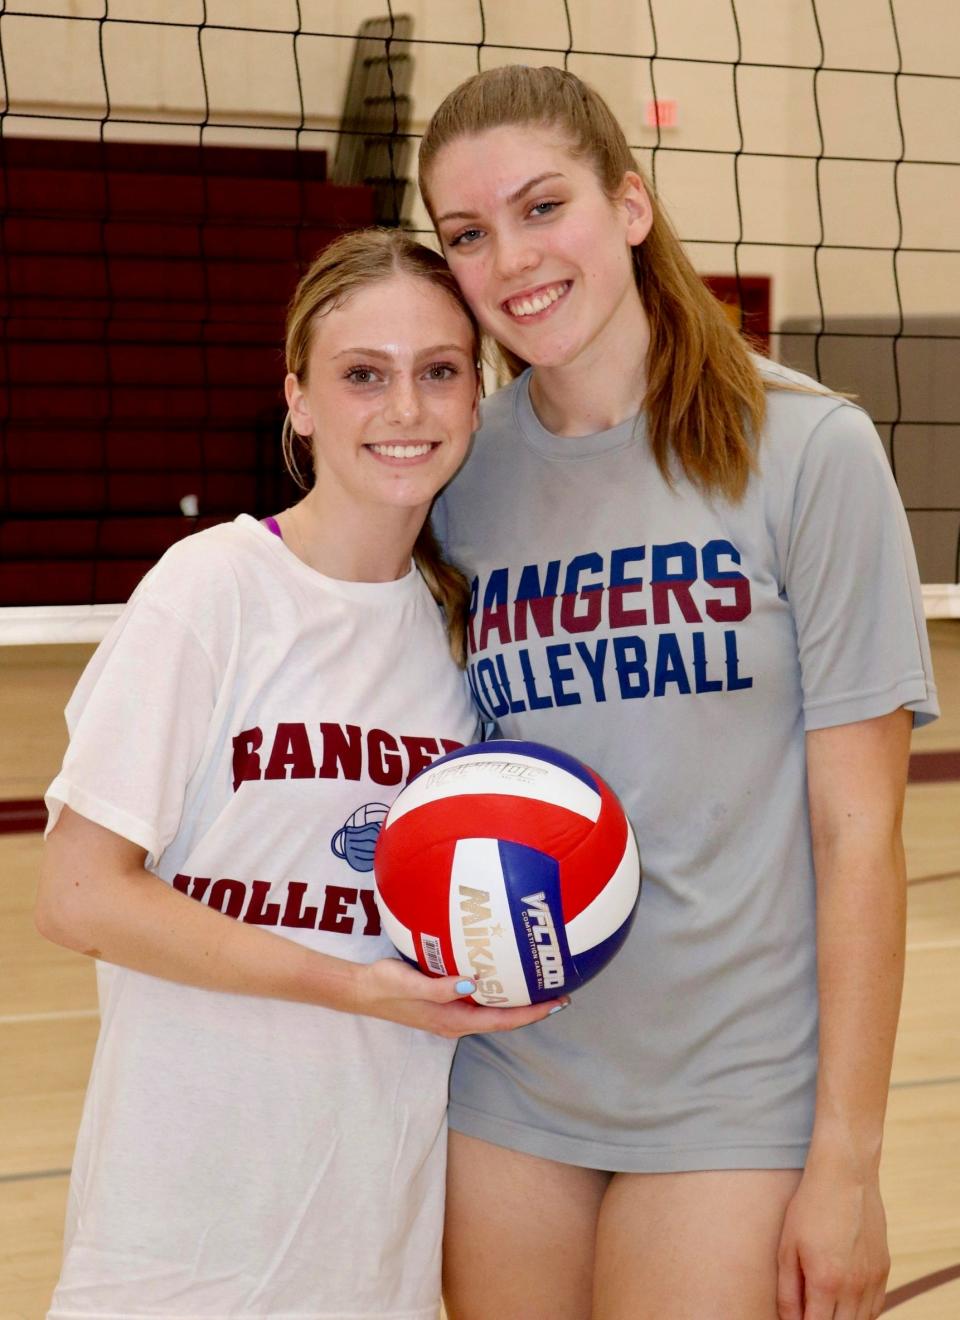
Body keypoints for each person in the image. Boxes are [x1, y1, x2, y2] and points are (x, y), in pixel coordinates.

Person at [417, 66, 939, 1320]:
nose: (513, 260)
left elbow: (860, 833)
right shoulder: (454, 474)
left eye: (545, 208)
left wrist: (850, 1165)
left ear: (633, 205)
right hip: (508, 1073)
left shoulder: (809, 448)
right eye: (470, 234)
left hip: (732, 1093)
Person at [35, 227, 563, 1320]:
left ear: (479, 394)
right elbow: (76, 893)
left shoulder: (469, 639)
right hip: (177, 1232)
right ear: (301, 399)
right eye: (363, 376)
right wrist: (349, 985)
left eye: (438, 373)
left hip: (374, 1237)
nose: (406, 411)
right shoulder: (215, 588)